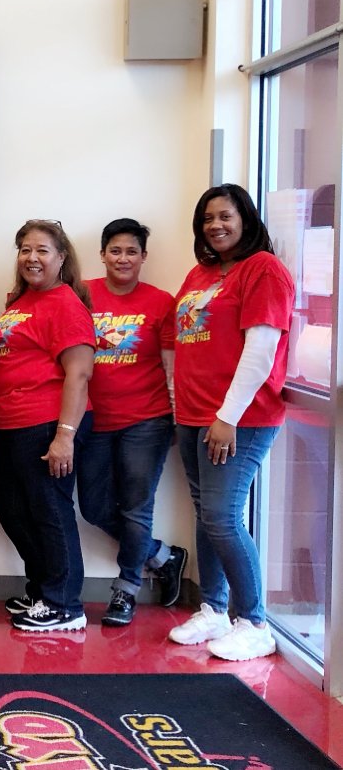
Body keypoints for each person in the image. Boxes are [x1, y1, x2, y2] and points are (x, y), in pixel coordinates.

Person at [168, 184, 294, 661]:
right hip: (194, 414)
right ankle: (215, 609)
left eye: (226, 216)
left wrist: (227, 417)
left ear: (246, 218)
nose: (216, 225)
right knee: (206, 514)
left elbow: (261, 351)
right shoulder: (201, 274)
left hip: (239, 417)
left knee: (222, 518)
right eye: (207, 219)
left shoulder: (263, 269)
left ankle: (254, 621)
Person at [77, 218, 188, 627]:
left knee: (137, 507)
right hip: (92, 420)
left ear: (144, 256)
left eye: (131, 251)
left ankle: (126, 589)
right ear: (103, 254)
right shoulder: (81, 294)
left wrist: (176, 416)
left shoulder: (161, 302)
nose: (123, 259)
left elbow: (171, 365)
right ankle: (161, 555)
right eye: (115, 250)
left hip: (147, 420)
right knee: (92, 507)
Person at [0, 219, 95, 632]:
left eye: (43, 250)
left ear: (61, 258)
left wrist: (64, 436)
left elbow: (79, 374)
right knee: (8, 503)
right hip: (12, 425)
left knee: (49, 509)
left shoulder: (65, 304)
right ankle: (44, 587)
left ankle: (64, 602)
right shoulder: (22, 303)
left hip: (46, 423)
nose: (32, 258)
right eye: (25, 250)